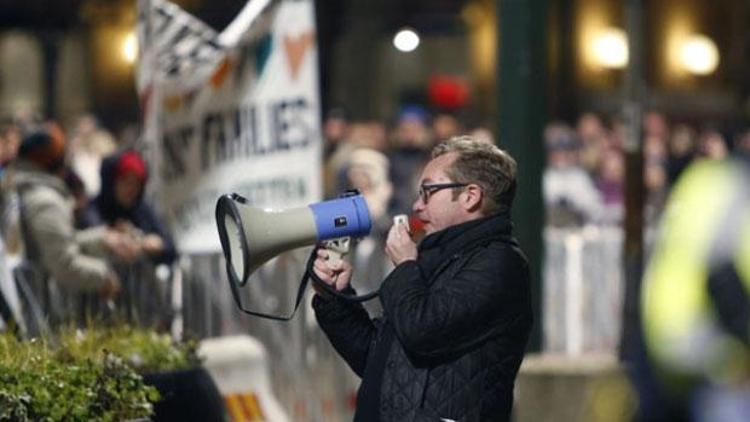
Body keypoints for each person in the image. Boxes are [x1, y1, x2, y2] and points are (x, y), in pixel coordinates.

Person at [312, 135, 533, 421]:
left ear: (470, 196)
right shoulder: (435, 257)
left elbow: (423, 331)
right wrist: (335, 299)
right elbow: (376, 359)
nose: (417, 206)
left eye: (429, 191)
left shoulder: (499, 264)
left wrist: (405, 266)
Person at [11, 123, 125, 326]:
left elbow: (51, 244)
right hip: (38, 316)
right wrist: (104, 275)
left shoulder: (29, 191)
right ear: (46, 157)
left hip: (33, 311)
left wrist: (101, 238)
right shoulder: (44, 200)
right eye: (59, 150)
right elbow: (63, 263)